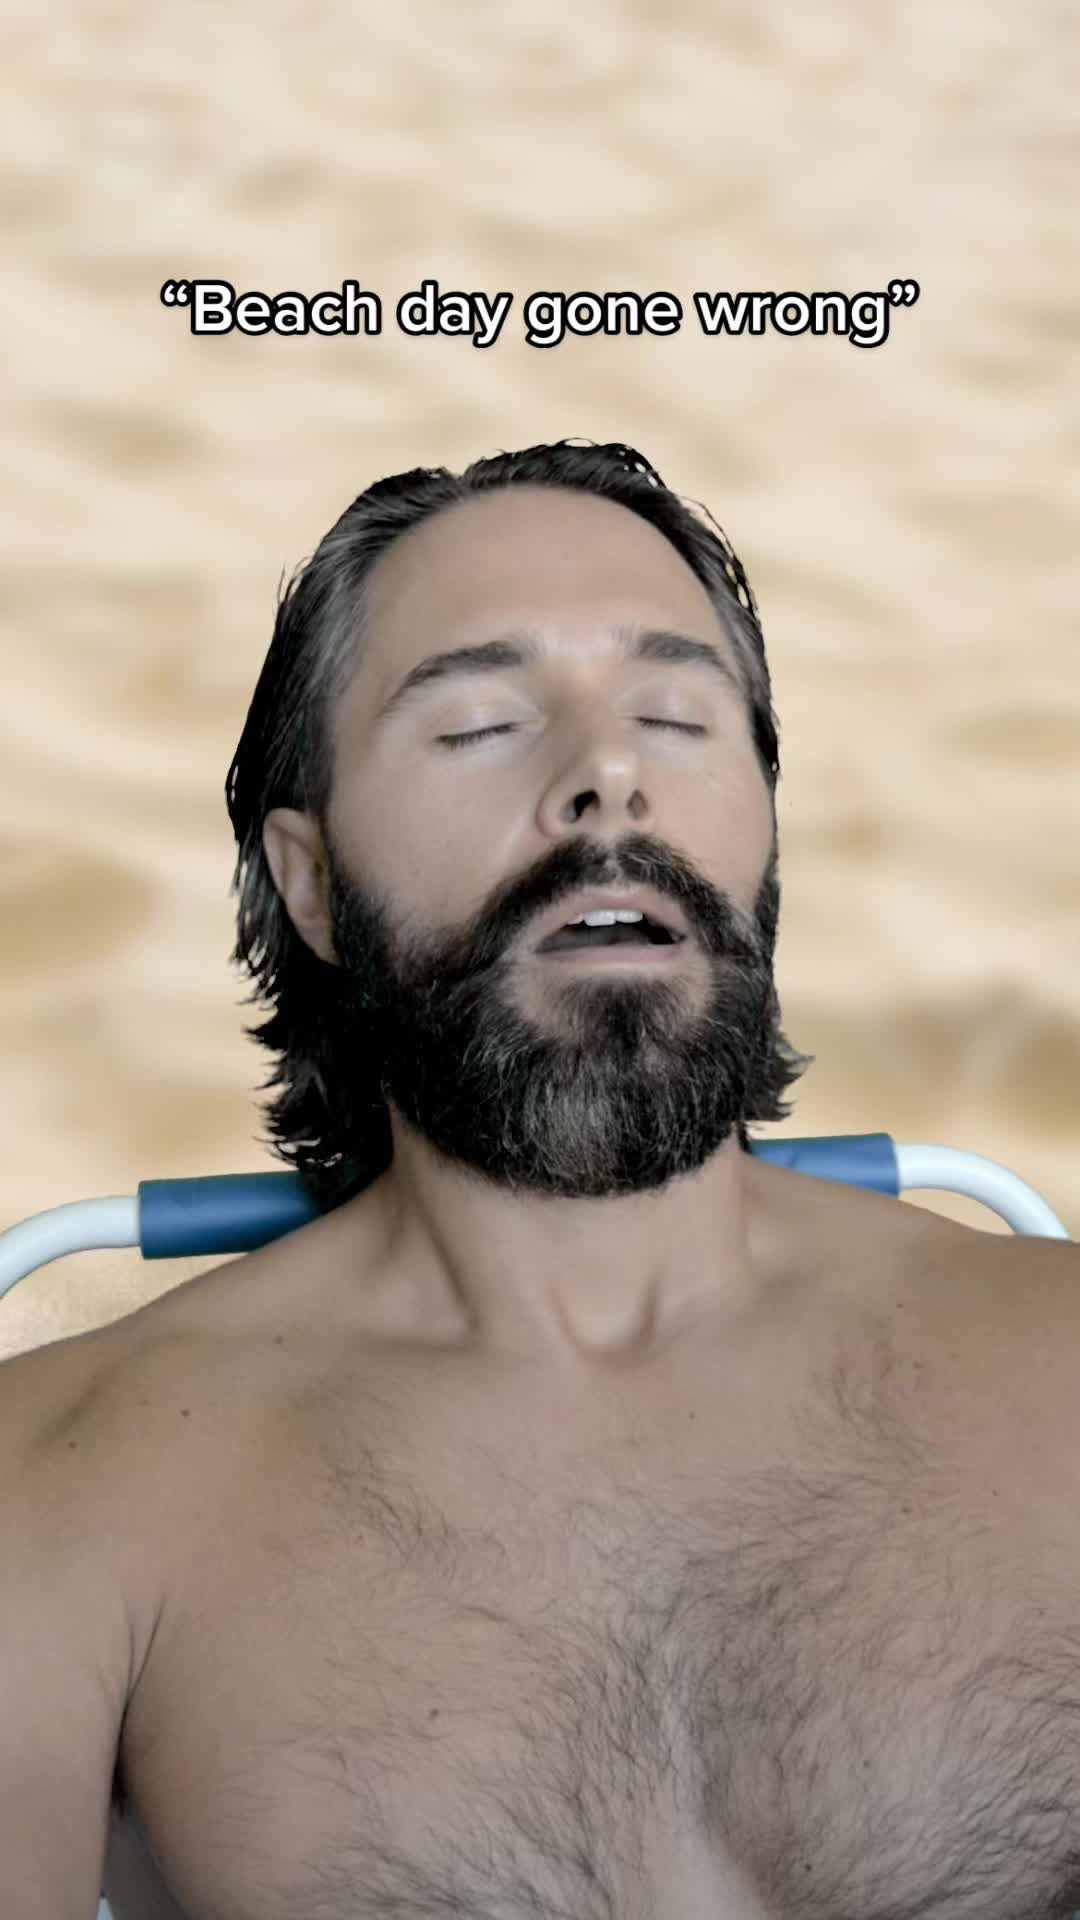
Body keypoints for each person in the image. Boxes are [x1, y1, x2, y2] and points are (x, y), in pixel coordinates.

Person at [4, 440, 1078, 1920]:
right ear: (312, 883)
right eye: (480, 724)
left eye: (677, 716)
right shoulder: (60, 1486)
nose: (609, 777)